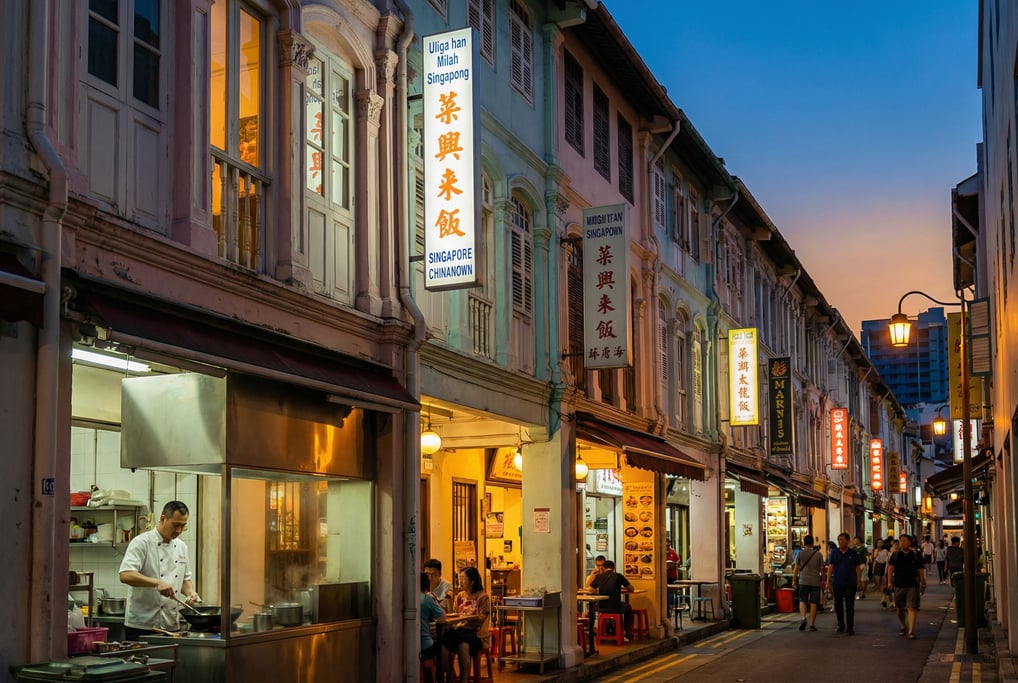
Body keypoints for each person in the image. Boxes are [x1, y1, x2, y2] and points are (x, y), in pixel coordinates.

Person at [118, 501, 200, 639]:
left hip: (172, 625)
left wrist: (190, 592)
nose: (179, 530)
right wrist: (156, 582)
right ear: (163, 519)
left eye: (183, 526)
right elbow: (125, 575)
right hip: (142, 626)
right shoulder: (141, 542)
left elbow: (185, 579)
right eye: (176, 525)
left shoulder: (182, 547)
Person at [441, 567, 491, 683]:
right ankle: (450, 673)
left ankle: (464, 680)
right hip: (460, 631)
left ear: (472, 581)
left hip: (476, 634)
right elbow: (454, 614)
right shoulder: (460, 596)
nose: (460, 582)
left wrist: (470, 616)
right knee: (442, 644)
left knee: (463, 646)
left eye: (463, 579)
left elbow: (482, 619)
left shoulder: (483, 597)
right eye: (459, 579)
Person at [886, 533, 926, 639]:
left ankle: (911, 631)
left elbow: (920, 570)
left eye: (904, 541)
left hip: (913, 584)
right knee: (899, 608)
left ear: (910, 542)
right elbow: (890, 568)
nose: (902, 543)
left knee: (912, 607)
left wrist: (923, 583)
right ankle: (903, 625)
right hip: (898, 584)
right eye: (900, 541)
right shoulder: (895, 554)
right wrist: (889, 582)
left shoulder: (916, 554)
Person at [827, 533, 863, 635]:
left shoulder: (853, 553)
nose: (840, 542)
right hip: (837, 582)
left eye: (842, 540)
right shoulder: (834, 552)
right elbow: (831, 566)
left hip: (850, 583)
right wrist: (828, 581)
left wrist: (859, 581)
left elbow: (857, 568)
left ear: (848, 541)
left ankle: (850, 627)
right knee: (838, 604)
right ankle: (840, 624)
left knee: (849, 605)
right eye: (839, 540)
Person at [591, 560, 634, 641]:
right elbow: (631, 588)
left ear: (603, 568)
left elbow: (590, 589)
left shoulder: (599, 576)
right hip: (616, 607)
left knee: (592, 608)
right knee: (628, 607)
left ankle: (595, 632)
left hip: (601, 607)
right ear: (614, 568)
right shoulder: (618, 576)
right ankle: (627, 633)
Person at [792, 535, 824, 632]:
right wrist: (823, 579)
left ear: (803, 543)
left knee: (803, 600)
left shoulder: (800, 553)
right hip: (815, 581)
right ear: (813, 543)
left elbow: (796, 568)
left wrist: (794, 580)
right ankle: (811, 625)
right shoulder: (818, 554)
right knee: (814, 602)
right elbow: (822, 569)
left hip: (803, 581)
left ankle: (803, 618)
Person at [419, 572, 444, 681]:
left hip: (410, 645)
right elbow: (442, 618)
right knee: (442, 647)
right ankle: (439, 679)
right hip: (424, 644)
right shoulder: (426, 598)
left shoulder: (409, 598)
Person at [873, 540, 891, 607]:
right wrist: (873, 569)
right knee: (878, 582)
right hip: (878, 565)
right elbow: (874, 558)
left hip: (884, 566)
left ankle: (883, 598)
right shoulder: (875, 550)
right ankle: (883, 595)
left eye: (880, 542)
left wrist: (887, 567)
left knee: (884, 582)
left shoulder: (885, 551)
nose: (879, 544)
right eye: (878, 542)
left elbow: (887, 559)